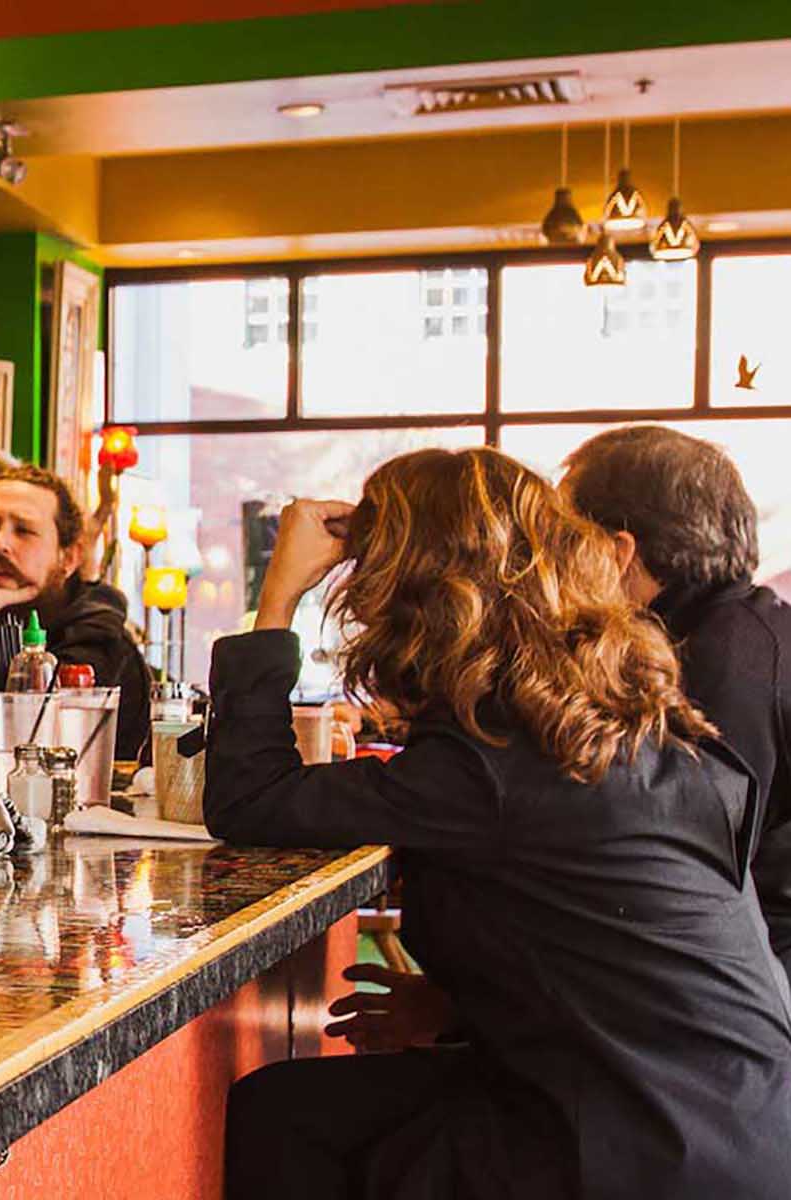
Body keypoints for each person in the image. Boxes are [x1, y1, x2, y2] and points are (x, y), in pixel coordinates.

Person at [209, 447, 791, 1200]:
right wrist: (461, 1013)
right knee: (290, 1112)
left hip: (641, 1148)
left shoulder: (488, 762)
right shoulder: (614, 719)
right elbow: (629, 952)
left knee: (291, 1121)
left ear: (412, 598)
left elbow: (249, 801)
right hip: (737, 1125)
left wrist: (278, 597)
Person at [563, 425, 791, 972]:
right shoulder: (739, 632)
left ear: (617, 552)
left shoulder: (720, 664)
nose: (552, 565)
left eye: (562, 539)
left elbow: (678, 881)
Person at [0, 465, 151, 759]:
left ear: (69, 557)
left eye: (24, 531)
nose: (0, 544)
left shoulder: (97, 639)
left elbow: (12, 745)